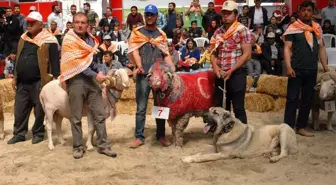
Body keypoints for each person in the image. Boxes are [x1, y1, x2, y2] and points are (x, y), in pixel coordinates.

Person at [59, 12, 117, 159]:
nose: (79, 25)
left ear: (87, 25)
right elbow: (78, 64)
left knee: (99, 114)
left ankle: (103, 145)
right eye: (77, 22)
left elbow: (94, 62)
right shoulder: (68, 39)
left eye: (83, 22)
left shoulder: (92, 41)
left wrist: (100, 72)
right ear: (72, 24)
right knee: (76, 117)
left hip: (92, 82)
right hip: (76, 81)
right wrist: (95, 75)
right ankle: (78, 147)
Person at [7, 11, 60, 145]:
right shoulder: (23, 38)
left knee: (39, 110)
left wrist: (55, 80)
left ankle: (38, 133)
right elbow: (18, 57)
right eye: (28, 22)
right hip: (22, 82)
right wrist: (15, 77)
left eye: (32, 22)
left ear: (40, 24)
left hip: (40, 81)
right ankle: (19, 133)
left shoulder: (49, 40)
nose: (28, 25)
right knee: (19, 110)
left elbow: (55, 62)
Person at [128, 4, 175, 148]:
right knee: (141, 107)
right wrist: (139, 66)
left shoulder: (161, 35)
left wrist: (172, 68)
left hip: (159, 77)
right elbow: (134, 50)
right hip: (143, 75)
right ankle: (139, 137)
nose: (149, 17)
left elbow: (165, 54)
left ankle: (161, 135)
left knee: (160, 106)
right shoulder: (137, 33)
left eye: (152, 15)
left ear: (156, 16)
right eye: (147, 14)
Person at [283, 1, 328, 137]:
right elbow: (287, 48)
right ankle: (288, 127)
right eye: (304, 10)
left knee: (307, 99)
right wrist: (289, 66)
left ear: (313, 12)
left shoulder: (317, 29)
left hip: (312, 69)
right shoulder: (293, 27)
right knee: (292, 98)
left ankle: (301, 126)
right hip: (296, 68)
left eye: (309, 10)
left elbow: (321, 48)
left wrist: (325, 66)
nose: (306, 12)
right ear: (299, 12)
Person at [210, 0, 252, 124]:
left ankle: (243, 136)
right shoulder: (218, 32)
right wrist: (216, 68)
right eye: (223, 13)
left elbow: (247, 54)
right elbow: (212, 52)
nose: (225, 16)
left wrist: (231, 70)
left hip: (236, 73)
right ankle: (222, 135)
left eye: (228, 13)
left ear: (235, 14)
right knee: (220, 107)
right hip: (220, 74)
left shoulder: (242, 30)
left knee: (238, 107)